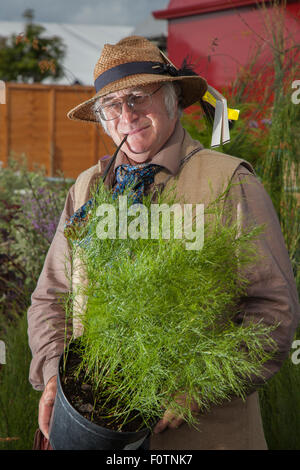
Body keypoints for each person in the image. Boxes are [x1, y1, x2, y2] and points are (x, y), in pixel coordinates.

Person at [28, 35, 300, 450]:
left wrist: (201, 386)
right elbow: (52, 297)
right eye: (112, 105)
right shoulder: (87, 190)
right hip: (94, 432)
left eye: (139, 96)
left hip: (205, 434)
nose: (127, 115)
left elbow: (273, 309)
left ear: (172, 97)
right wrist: (52, 375)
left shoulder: (227, 183)